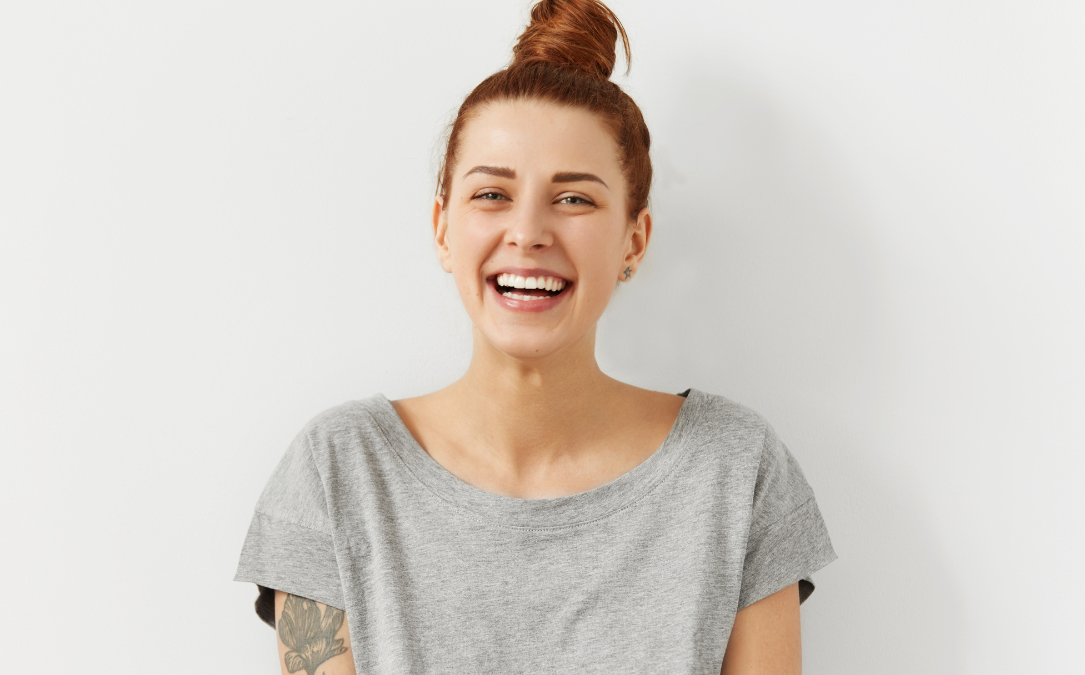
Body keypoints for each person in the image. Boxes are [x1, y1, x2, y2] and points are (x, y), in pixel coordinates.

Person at [234, 1, 837, 672]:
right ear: (443, 228)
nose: (527, 232)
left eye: (574, 198)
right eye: (491, 195)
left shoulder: (734, 468)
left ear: (634, 240)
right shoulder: (338, 471)